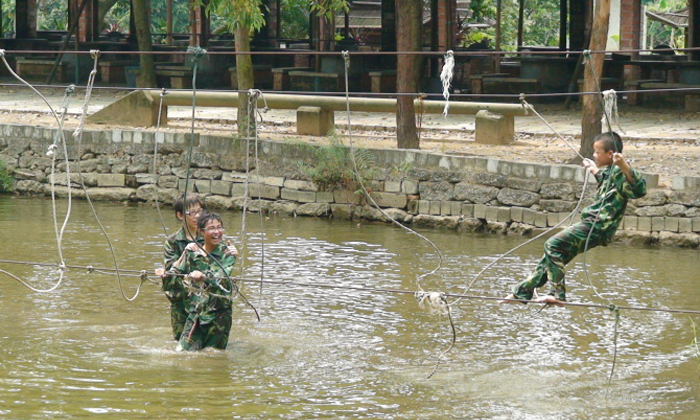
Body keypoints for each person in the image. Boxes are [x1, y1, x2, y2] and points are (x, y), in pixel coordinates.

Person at [502, 132, 647, 306]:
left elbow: (639, 190)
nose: (594, 155)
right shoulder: (611, 171)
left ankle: (557, 294)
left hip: (596, 226)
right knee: (553, 257)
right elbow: (608, 182)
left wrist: (624, 165)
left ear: (610, 154)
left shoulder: (620, 170)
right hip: (593, 225)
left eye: (597, 152)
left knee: (552, 245)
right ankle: (522, 292)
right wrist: (594, 170)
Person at [170, 211, 237, 351]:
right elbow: (174, 274)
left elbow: (219, 276)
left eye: (220, 227)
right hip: (196, 311)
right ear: (201, 231)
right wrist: (163, 273)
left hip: (219, 314)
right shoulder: (193, 251)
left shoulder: (228, 252)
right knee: (181, 352)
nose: (217, 232)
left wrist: (202, 276)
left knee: (214, 354)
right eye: (212, 228)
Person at [156, 194, 205, 341]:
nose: (197, 216)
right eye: (192, 213)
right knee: (181, 342)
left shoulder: (209, 237)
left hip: (205, 299)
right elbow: (171, 271)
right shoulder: (172, 241)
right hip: (180, 300)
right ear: (180, 215)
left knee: (207, 343)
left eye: (200, 211)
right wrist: (186, 253)